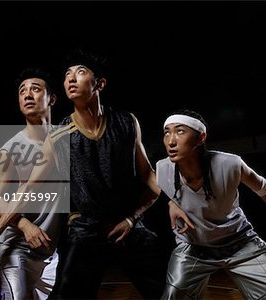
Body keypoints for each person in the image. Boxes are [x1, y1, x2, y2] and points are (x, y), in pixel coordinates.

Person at [45, 49, 194, 300]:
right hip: (85, 229)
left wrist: (168, 205)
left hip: (127, 224)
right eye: (67, 75)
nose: (71, 79)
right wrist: (14, 224)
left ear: (99, 84)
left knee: (170, 293)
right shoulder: (57, 134)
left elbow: (148, 175)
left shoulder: (126, 122)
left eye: (80, 72)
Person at [157, 109, 266, 299]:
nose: (171, 141)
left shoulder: (230, 164)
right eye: (166, 132)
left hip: (241, 243)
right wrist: (171, 202)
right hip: (193, 249)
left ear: (200, 138)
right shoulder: (162, 169)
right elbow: (152, 189)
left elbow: (265, 189)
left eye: (180, 131)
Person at [0, 66, 62, 300]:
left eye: (35, 89)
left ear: (51, 98)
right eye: (22, 91)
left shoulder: (65, 138)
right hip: (16, 245)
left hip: (51, 246)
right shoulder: (10, 149)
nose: (28, 95)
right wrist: (23, 225)